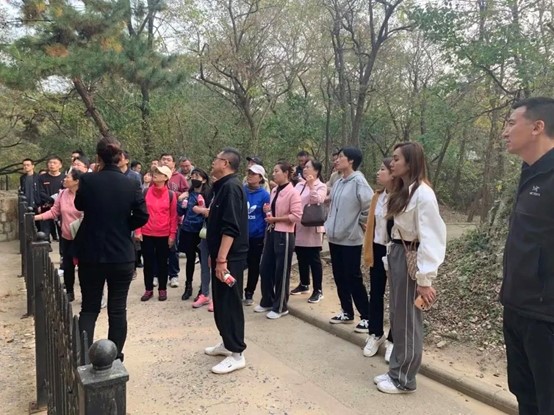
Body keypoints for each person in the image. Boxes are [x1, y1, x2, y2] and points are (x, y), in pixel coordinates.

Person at [373, 141, 446, 395]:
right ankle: (396, 370)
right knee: (397, 316)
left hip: (411, 258)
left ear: (410, 162)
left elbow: (432, 237)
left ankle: (404, 378)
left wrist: (425, 278)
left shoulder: (423, 194)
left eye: (396, 159)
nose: (392, 163)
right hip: (397, 254)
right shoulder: (404, 190)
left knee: (407, 320)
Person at [500, 97, 554, 414]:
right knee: (525, 396)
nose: (505, 132)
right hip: (516, 308)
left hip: (546, 318)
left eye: (511, 123)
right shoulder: (528, 173)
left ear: (537, 127)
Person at [73, 137, 149, 361]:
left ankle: (83, 358)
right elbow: (143, 215)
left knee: (89, 307)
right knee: (117, 309)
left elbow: (79, 205)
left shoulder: (88, 180)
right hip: (121, 253)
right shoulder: (131, 183)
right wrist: (124, 225)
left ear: (98, 157)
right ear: (120, 157)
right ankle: (114, 359)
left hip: (91, 252)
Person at [204, 148, 248, 374]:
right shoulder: (221, 187)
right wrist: (214, 256)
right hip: (220, 256)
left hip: (231, 258)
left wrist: (222, 260)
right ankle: (226, 342)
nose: (213, 162)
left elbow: (231, 227)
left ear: (226, 163)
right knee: (220, 302)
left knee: (230, 303)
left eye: (216, 159)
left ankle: (237, 353)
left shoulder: (231, 188)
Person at [324, 147, 372, 332]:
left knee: (353, 277)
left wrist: (358, 224)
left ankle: (366, 316)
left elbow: (369, 206)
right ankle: (346, 311)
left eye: (341, 157)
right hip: (335, 237)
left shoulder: (359, 181)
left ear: (351, 160)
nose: (336, 160)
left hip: (351, 239)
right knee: (339, 275)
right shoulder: (338, 181)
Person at [256, 161, 302, 319]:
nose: (274, 174)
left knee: (281, 271)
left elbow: (296, 216)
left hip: (285, 234)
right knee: (265, 267)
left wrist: (276, 219)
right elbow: (274, 209)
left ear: (286, 173)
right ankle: (267, 300)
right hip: (271, 231)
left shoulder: (293, 192)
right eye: (273, 171)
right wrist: (268, 211)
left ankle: (281, 306)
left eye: (277, 171)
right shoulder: (275, 190)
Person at [362, 158, 395, 360]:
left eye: (382, 169)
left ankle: (393, 340)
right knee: (376, 292)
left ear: (393, 173)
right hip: (377, 248)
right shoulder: (377, 197)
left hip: (396, 250)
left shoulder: (402, 197)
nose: (378, 172)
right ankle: (375, 333)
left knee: (396, 297)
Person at [34, 168, 84, 302]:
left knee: (85, 267)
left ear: (76, 181)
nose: (64, 179)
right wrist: (36, 217)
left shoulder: (86, 194)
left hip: (83, 238)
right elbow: (54, 212)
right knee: (68, 265)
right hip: (66, 236)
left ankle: (87, 294)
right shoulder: (62, 194)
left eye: (67, 177)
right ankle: (70, 291)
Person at [135, 165, 178, 302]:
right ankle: (148, 289)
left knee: (162, 263)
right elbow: (139, 212)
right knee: (148, 263)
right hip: (147, 232)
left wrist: (172, 235)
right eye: (155, 172)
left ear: (166, 177)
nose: (155, 174)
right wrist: (138, 230)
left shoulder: (171, 195)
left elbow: (173, 217)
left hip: (163, 234)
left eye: (159, 173)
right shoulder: (146, 192)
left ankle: (162, 289)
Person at [291, 159, 327, 303]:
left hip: (312, 227)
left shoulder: (321, 186)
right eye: (304, 167)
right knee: (301, 256)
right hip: (299, 226)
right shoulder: (299, 185)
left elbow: (317, 201)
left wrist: (312, 186)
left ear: (316, 171)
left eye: (308, 167)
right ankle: (304, 283)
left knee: (314, 259)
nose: (304, 169)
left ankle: (318, 290)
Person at [177, 168, 210, 302]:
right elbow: (180, 212)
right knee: (190, 259)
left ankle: (203, 288)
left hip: (201, 232)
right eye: (193, 176)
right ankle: (188, 286)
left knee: (203, 261)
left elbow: (210, 213)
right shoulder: (188, 194)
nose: (194, 178)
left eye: (197, 176)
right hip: (187, 230)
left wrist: (202, 210)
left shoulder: (208, 194)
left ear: (204, 179)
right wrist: (180, 201)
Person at [160, 153, 189, 288]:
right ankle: (158, 274)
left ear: (173, 164)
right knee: (157, 249)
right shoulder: (157, 176)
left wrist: (175, 196)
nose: (166, 161)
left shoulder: (179, 177)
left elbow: (187, 193)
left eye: (169, 160)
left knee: (172, 248)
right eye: (163, 159)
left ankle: (173, 275)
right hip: (158, 219)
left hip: (174, 218)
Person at [243, 164, 270, 306]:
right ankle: (234, 290)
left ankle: (249, 292)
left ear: (260, 178)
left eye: (253, 174)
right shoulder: (241, 191)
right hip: (241, 235)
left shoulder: (265, 195)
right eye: (249, 173)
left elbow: (267, 216)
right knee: (238, 264)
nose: (250, 176)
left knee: (254, 265)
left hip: (256, 236)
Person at [38, 156, 65, 242]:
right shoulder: (41, 178)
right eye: (50, 163)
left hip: (61, 209)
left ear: (60, 165)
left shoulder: (64, 178)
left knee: (62, 233)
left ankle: (63, 250)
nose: (52, 165)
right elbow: (40, 192)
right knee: (44, 233)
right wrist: (51, 200)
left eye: (54, 163)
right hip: (46, 208)